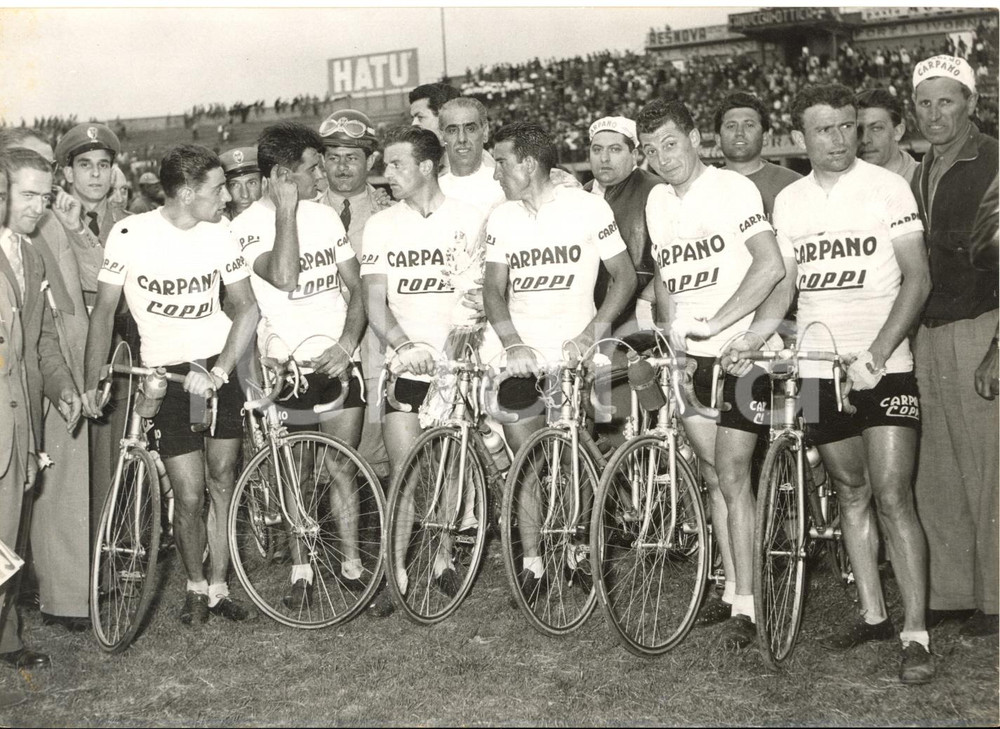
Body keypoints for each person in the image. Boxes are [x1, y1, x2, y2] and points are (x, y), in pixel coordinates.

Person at [773, 83, 933, 684]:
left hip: (882, 364)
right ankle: (872, 615)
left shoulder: (887, 187)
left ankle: (915, 634)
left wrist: (879, 350)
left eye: (848, 126)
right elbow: (786, 287)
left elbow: (916, 280)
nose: (839, 139)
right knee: (849, 489)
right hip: (817, 367)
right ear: (801, 137)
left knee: (894, 495)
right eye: (824, 129)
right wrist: (760, 334)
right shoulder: (789, 202)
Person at [82, 144, 258, 626]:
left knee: (223, 480)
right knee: (190, 492)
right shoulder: (129, 233)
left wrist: (220, 370)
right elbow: (103, 314)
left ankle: (219, 587)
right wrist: (94, 377)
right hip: (167, 375)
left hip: (215, 371)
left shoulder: (221, 233)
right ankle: (194, 583)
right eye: (218, 188)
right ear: (185, 193)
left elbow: (247, 308)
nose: (226, 198)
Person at [637, 98, 787, 650]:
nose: (662, 158)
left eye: (670, 144)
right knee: (710, 473)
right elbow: (668, 276)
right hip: (691, 357)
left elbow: (769, 266)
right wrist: (672, 335)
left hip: (743, 354)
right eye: (650, 150)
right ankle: (730, 592)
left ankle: (748, 603)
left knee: (733, 473)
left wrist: (718, 323)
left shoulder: (732, 189)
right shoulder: (656, 200)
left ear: (696, 139)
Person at [483, 121, 637, 598]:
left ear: (528, 164)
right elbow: (493, 288)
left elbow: (624, 276)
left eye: (502, 163)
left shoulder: (588, 208)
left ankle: (580, 550)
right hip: (522, 360)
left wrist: (592, 333)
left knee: (575, 459)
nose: (496, 175)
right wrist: (512, 343)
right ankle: (532, 563)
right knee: (526, 461)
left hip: (577, 358)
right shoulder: (502, 218)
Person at [232, 121, 369, 604]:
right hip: (287, 371)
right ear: (281, 176)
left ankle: (352, 568)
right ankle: (302, 570)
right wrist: (285, 213)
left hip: (334, 362)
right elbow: (286, 278)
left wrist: (347, 343)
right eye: (312, 168)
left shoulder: (327, 217)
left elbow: (358, 289)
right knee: (298, 471)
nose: (322, 175)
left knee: (341, 468)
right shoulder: (244, 227)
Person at [361, 125, 490, 614]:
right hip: (407, 362)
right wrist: (402, 345)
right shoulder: (381, 225)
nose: (386, 174)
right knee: (405, 469)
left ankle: (442, 556)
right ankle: (393, 572)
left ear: (426, 166)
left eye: (395, 165)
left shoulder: (472, 218)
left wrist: (463, 342)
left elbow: (482, 294)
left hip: (459, 358)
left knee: (450, 466)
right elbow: (375, 301)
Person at [910, 55, 999, 638]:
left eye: (946, 101)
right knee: (937, 468)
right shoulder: (921, 169)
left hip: (979, 326)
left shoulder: (991, 160)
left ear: (970, 103)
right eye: (924, 102)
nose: (934, 113)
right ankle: (953, 592)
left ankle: (996, 599)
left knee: (989, 467)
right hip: (929, 331)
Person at [0, 149, 82, 667]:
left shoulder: (28, 254)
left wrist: (61, 387)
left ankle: (6, 638)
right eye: (27, 195)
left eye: (44, 197)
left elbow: (42, 339)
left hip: (21, 424)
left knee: (9, 538)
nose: (38, 207)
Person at [316, 108, 392, 482]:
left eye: (352, 158)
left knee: (379, 457)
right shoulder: (303, 214)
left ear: (371, 160)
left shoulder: (392, 212)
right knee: (327, 467)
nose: (342, 168)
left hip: (377, 348)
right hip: (322, 349)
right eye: (333, 158)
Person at [582, 115, 664, 333]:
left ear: (634, 155)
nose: (604, 158)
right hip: (589, 318)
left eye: (615, 149)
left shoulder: (657, 190)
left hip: (640, 319)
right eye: (597, 150)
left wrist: (648, 301)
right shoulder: (581, 195)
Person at [714, 91, 802, 221]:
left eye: (749, 125)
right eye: (731, 126)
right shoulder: (702, 188)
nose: (739, 132)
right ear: (718, 139)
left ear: (765, 137)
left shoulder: (794, 184)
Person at [437, 97, 505, 217]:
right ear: (442, 137)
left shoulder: (505, 185)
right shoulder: (434, 191)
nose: (462, 139)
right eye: (452, 130)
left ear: (484, 132)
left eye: (470, 129)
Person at [855, 88, 920, 184]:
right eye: (858, 130)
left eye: (876, 128)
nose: (865, 140)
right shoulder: (842, 183)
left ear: (898, 131)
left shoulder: (926, 182)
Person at [219, 145, 261, 219]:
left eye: (252, 183)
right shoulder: (218, 226)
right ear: (226, 188)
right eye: (234, 185)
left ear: (263, 184)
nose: (245, 195)